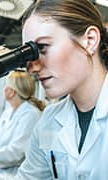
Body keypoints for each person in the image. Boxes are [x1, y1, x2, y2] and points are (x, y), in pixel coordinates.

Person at [13, 0, 108, 179]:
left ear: (90, 40)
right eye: (29, 53)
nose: (31, 67)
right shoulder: (48, 120)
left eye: (42, 47)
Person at [0, 70, 45, 179]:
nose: (4, 89)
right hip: (1, 172)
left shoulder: (31, 114)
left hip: (17, 174)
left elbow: (17, 154)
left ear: (11, 92)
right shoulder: (8, 112)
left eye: (6, 86)